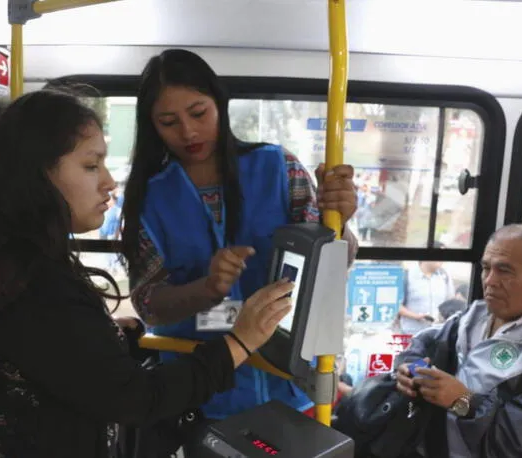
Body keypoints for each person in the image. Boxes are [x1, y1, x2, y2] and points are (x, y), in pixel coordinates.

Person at [0, 89, 294, 458]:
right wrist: (241, 342)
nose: (108, 182)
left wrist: (102, 336)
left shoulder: (8, 263)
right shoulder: (37, 283)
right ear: (36, 176)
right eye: (91, 166)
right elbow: (138, 399)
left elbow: (57, 356)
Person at [120, 48, 359, 445]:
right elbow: (148, 303)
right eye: (168, 122)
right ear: (152, 127)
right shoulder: (148, 198)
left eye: (199, 113)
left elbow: (337, 260)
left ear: (220, 104)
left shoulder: (280, 168)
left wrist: (343, 220)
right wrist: (208, 288)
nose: (188, 132)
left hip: (290, 383)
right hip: (197, 391)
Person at [395, 224, 522, 457]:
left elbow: (521, 445)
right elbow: (424, 343)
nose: (490, 281)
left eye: (504, 271)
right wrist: (411, 369)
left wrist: (463, 401)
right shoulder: (473, 317)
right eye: (486, 268)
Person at [398, 242, 455, 334]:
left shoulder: (444, 276)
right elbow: (396, 305)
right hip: (412, 333)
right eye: (439, 254)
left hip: (438, 333)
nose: (442, 259)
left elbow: (450, 302)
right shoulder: (408, 276)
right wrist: (416, 316)